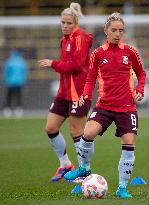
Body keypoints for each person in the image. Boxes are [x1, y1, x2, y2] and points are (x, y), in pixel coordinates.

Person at [64, 12, 146, 198]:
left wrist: (140, 88)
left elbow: (141, 73)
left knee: (128, 142)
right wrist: (85, 95)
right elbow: (90, 78)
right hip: (104, 106)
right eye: (114, 30)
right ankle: (84, 168)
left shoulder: (130, 52)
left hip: (127, 108)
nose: (118, 34)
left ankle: (122, 188)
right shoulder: (98, 54)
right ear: (106, 31)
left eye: (121, 31)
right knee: (87, 133)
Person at [38, 2, 93, 182]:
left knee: (76, 131)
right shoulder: (65, 39)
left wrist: (53, 63)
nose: (65, 26)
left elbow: (76, 65)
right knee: (51, 127)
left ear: (75, 22)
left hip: (78, 91)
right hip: (64, 91)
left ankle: (83, 172)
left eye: (69, 23)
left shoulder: (81, 37)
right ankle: (65, 164)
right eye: (63, 22)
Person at [3, 49, 28, 117]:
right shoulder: (22, 61)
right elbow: (25, 72)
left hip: (10, 82)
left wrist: (5, 80)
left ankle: (7, 109)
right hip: (19, 82)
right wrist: (23, 80)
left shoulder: (9, 61)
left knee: (9, 96)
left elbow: (6, 72)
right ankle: (19, 109)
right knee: (18, 96)